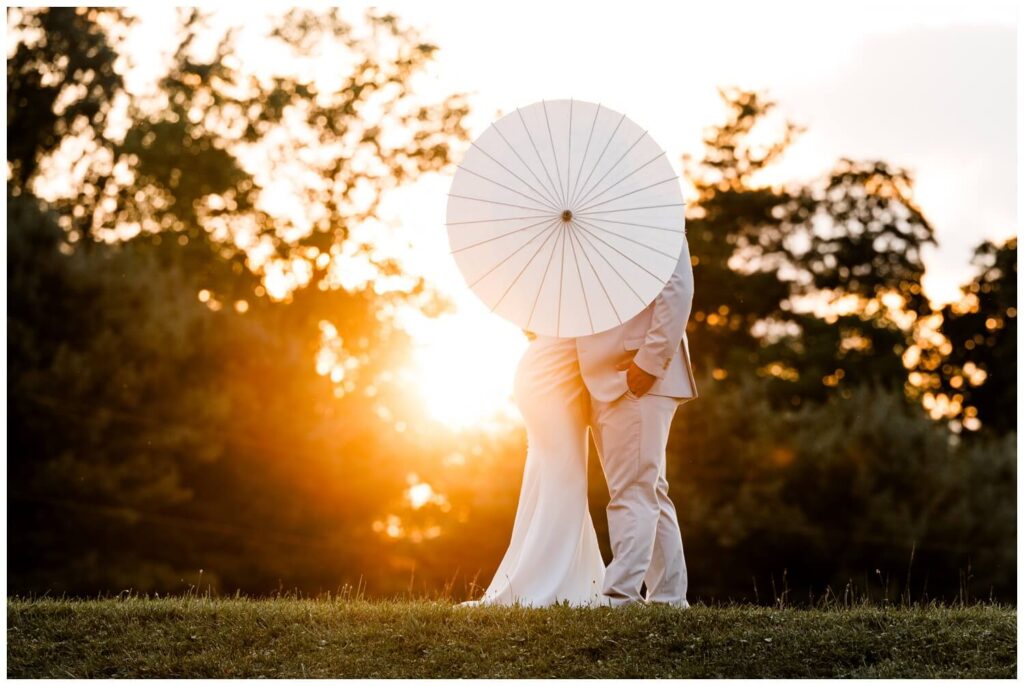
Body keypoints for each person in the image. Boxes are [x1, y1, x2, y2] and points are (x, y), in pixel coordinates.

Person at [464, 234, 696, 608]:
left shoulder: (656, 217)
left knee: (634, 489)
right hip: (607, 376)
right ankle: (669, 599)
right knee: (648, 486)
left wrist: (648, 364)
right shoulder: (594, 223)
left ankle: (621, 597)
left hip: (637, 373)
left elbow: (677, 290)